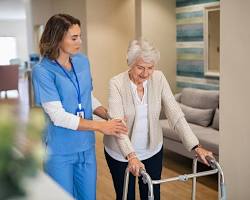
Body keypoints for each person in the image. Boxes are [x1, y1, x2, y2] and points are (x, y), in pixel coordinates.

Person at [32, 14, 127, 200]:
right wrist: (101, 126)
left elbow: (86, 97)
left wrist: (108, 116)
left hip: (85, 147)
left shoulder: (83, 61)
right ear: (57, 38)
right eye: (74, 38)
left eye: (80, 36)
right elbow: (58, 116)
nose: (80, 42)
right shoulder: (42, 71)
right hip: (59, 151)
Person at [103, 39, 213, 200]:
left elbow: (175, 113)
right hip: (121, 153)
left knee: (152, 196)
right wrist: (131, 156)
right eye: (140, 67)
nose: (146, 73)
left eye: (150, 68)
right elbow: (118, 124)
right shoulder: (116, 83)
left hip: (152, 150)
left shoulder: (159, 78)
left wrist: (196, 146)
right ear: (130, 62)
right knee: (126, 196)